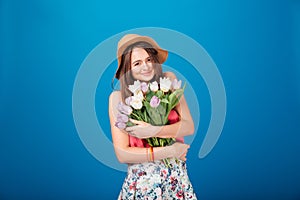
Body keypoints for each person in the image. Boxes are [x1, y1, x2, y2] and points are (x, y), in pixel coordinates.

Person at [109, 34, 197, 199]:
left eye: (149, 59)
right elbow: (122, 154)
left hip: (176, 179)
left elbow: (188, 126)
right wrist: (170, 150)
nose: (146, 66)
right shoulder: (117, 98)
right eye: (137, 63)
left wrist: (152, 131)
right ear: (127, 68)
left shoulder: (168, 80)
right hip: (143, 184)